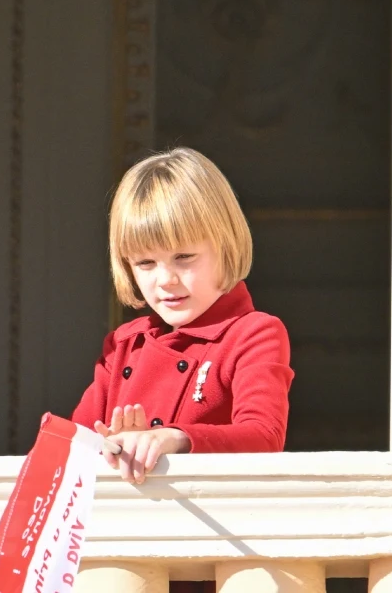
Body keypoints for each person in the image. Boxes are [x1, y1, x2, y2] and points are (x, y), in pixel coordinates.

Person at [73, 147, 293, 485]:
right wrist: (111, 447)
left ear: (227, 246)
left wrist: (171, 439)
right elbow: (73, 448)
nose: (165, 280)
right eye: (145, 263)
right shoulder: (123, 345)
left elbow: (264, 436)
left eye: (184, 257)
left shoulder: (253, 333)